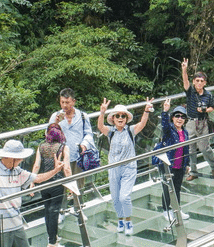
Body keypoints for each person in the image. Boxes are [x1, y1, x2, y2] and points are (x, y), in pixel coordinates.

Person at [97, 99, 153, 235]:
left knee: (124, 197)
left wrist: (146, 110)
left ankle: (128, 221)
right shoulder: (111, 131)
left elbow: (142, 124)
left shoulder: (130, 130)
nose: (120, 118)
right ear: (113, 118)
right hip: (114, 168)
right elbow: (100, 126)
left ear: (127, 118)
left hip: (129, 167)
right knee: (115, 198)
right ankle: (120, 220)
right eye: (118, 116)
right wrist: (102, 112)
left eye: (123, 116)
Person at [31, 123, 71, 247]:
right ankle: (52, 242)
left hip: (44, 182)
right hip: (57, 183)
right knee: (54, 212)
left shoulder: (41, 147)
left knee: (47, 211)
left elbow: (37, 166)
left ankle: (52, 237)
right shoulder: (63, 147)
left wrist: (32, 182)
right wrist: (70, 186)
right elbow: (67, 168)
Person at [49, 88, 96, 184]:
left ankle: (77, 199)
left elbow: (88, 134)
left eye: (67, 102)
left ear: (73, 101)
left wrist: (84, 144)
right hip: (61, 158)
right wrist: (56, 123)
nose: (64, 105)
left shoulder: (83, 116)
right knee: (62, 188)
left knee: (78, 187)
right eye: (62, 102)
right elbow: (48, 137)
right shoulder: (55, 116)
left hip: (78, 156)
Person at [181, 58, 214, 180]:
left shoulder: (208, 94)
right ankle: (193, 172)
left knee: (204, 148)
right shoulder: (190, 92)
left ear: (205, 83)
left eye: (202, 81)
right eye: (197, 81)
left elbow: (212, 107)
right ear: (194, 82)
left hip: (203, 123)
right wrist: (184, 70)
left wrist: (205, 110)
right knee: (190, 149)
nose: (199, 83)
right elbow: (185, 82)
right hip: (190, 122)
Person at [157, 99, 191, 222]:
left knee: (177, 188)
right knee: (167, 188)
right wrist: (165, 111)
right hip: (167, 164)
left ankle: (176, 209)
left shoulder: (185, 132)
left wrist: (187, 164)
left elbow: (186, 150)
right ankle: (166, 210)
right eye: (177, 116)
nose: (179, 119)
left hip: (179, 165)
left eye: (182, 117)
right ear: (172, 118)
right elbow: (164, 125)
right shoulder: (169, 130)